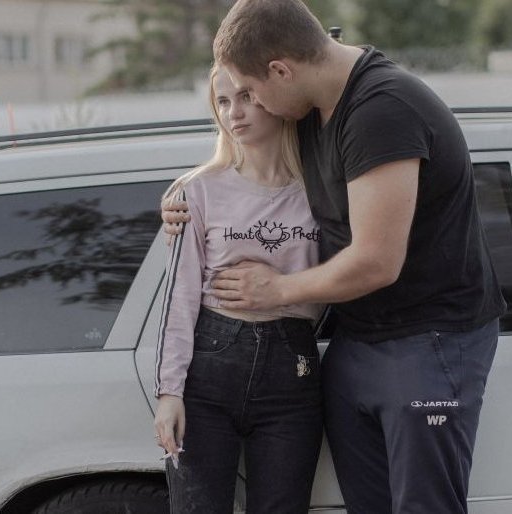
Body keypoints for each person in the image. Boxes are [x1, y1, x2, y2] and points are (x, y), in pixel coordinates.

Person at [164, 1, 506, 512]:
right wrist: (179, 203)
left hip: (429, 339)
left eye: (253, 91)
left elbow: (376, 261)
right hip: (354, 342)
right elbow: (246, 181)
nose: (253, 105)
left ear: (282, 70)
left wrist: (276, 289)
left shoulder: (383, 109)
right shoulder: (311, 109)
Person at [153, 64, 323, 514]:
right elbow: (179, 298)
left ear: (277, 97)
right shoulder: (197, 190)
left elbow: (341, 276)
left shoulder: (320, 190)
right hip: (209, 369)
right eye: (223, 102)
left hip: (294, 369)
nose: (234, 113)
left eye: (246, 97)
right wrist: (169, 392)